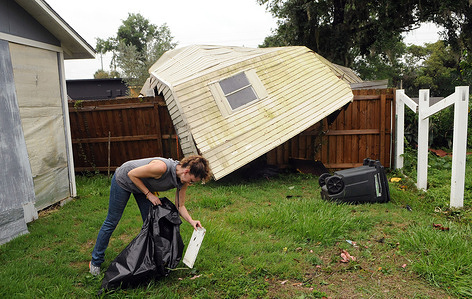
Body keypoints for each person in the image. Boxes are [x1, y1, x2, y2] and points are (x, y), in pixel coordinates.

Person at [89, 155, 211, 276]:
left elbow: (180, 206)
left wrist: (191, 221)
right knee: (112, 221)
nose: (190, 184)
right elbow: (131, 174)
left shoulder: (182, 181)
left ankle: (150, 261)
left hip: (142, 185)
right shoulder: (161, 168)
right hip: (124, 179)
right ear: (187, 171)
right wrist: (149, 194)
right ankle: (95, 261)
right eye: (192, 181)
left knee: (151, 224)